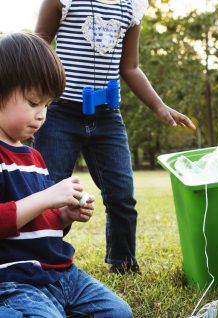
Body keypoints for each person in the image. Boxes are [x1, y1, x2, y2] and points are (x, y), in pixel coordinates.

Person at [34, 0, 196, 273]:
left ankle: (123, 263)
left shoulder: (131, 6)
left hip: (107, 116)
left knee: (122, 195)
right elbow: (35, 49)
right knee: (50, 194)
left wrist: (160, 106)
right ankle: (42, 260)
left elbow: (130, 67)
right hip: (61, 114)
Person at [0, 32, 132, 317]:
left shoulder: (34, 157)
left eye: (47, 105)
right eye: (33, 102)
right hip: (13, 280)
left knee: (119, 313)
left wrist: (63, 216)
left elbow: (38, 221)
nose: (42, 115)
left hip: (60, 275)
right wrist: (47, 197)